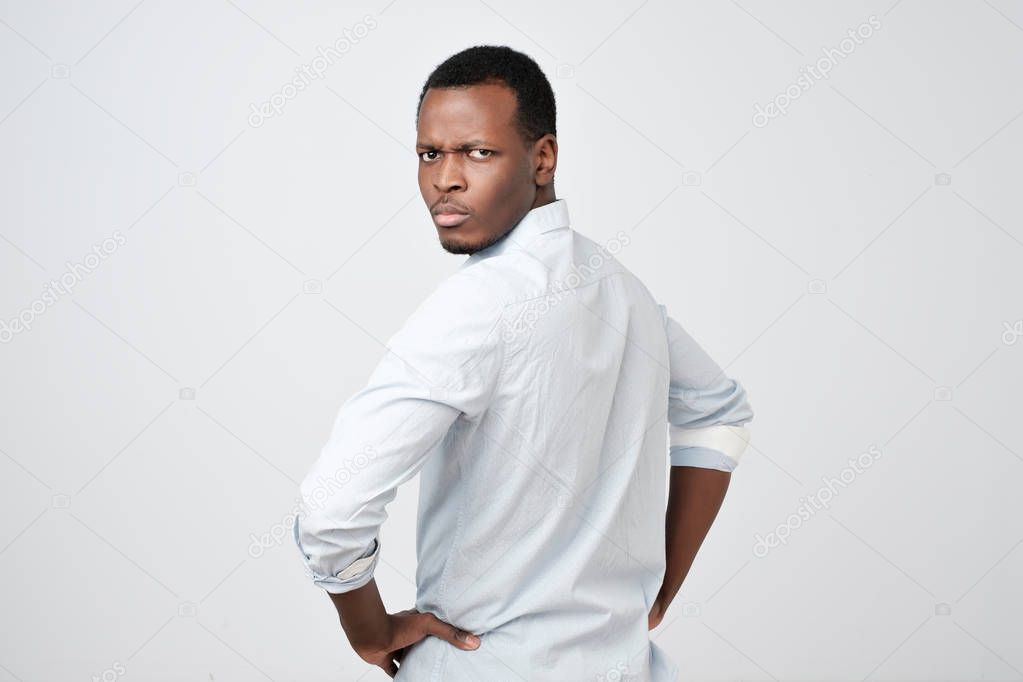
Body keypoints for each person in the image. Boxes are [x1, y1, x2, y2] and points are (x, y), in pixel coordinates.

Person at [292, 44, 754, 681]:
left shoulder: (476, 305)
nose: (445, 178)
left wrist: (368, 630)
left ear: (543, 158)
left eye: (478, 152)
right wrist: (662, 585)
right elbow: (718, 412)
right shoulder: (623, 291)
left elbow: (331, 508)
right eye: (431, 153)